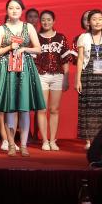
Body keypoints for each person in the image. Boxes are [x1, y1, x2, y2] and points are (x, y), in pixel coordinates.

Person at [0, 0, 46, 156]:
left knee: (24, 109)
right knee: (10, 109)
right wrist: (9, 47)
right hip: (8, 70)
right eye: (11, 8)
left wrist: (24, 49)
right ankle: (12, 144)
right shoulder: (1, 28)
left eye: (17, 8)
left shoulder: (29, 27)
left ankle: (24, 145)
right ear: (6, 10)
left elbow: (38, 49)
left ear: (22, 10)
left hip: (25, 69)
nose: (14, 10)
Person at [76, 9, 102, 150]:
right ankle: (89, 140)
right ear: (89, 22)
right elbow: (80, 59)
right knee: (89, 109)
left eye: (100, 19)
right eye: (94, 19)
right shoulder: (83, 37)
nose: (97, 22)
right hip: (88, 76)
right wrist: (78, 80)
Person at [35, 10, 72, 151]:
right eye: (43, 20)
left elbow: (65, 59)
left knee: (54, 109)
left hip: (58, 76)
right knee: (42, 109)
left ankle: (52, 140)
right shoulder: (36, 38)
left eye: (49, 19)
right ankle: (44, 140)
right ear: (40, 22)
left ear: (54, 21)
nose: (46, 22)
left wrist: (66, 78)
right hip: (41, 76)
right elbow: (32, 60)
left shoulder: (61, 38)